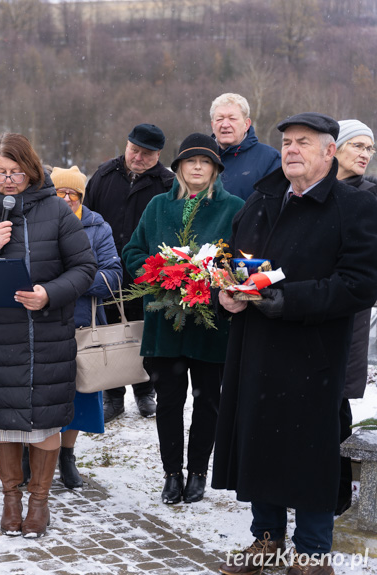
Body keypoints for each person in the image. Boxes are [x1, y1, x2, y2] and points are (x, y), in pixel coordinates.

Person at [215, 113, 377, 575]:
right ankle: (266, 540)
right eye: (286, 141)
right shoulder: (262, 199)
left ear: (329, 152)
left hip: (314, 354)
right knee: (259, 446)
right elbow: (231, 259)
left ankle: (310, 551)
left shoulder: (354, 206)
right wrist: (225, 292)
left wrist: (288, 300)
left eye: (304, 142)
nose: (290, 149)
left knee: (310, 456)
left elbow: (361, 284)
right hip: (255, 348)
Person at [0, 133, 96, 538]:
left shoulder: (58, 212)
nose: (8, 180)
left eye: (16, 172)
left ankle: (39, 501)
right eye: (0, 172)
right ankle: (11, 498)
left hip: (46, 336)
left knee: (44, 421)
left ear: (31, 169)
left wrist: (49, 293)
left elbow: (85, 268)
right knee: (4, 421)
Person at [123, 134, 243, 506]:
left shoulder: (233, 207)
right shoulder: (159, 206)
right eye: (189, 161)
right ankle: (172, 473)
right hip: (166, 323)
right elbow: (133, 250)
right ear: (177, 168)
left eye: (204, 162)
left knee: (208, 402)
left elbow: (240, 263)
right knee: (170, 402)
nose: (196, 167)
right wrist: (158, 273)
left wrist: (215, 280)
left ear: (215, 169)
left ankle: (198, 472)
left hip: (211, 323)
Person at [83, 123, 173, 422]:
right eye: (134, 150)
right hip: (106, 270)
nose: (138, 158)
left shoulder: (167, 183)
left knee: (142, 332)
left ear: (159, 155)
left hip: (147, 272)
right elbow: (87, 216)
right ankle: (113, 394)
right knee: (109, 332)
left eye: (147, 154)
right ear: (126, 145)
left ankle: (146, 391)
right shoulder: (104, 175)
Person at [51, 166, 120, 489]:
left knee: (78, 396)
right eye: (59, 192)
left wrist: (72, 281)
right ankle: (31, 454)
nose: (66, 199)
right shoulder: (36, 221)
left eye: (72, 194)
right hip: (43, 322)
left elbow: (113, 276)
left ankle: (67, 454)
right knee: (40, 394)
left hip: (82, 325)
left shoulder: (97, 227)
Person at [334, 119, 377, 516]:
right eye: (358, 145)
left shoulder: (371, 197)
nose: (365, 154)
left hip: (350, 311)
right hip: (306, 307)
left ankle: (339, 493)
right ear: (336, 147)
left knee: (338, 401)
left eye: (370, 148)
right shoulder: (311, 190)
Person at [209, 92, 281, 201]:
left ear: (246, 124)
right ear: (212, 125)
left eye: (232, 118)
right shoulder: (200, 158)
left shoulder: (270, 159)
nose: (225, 124)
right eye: (219, 119)